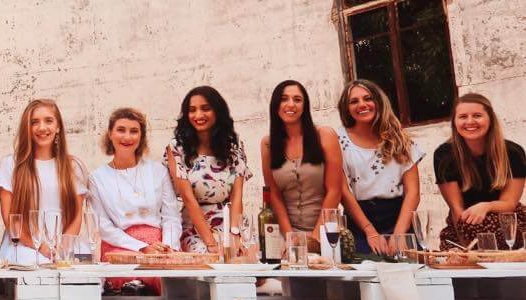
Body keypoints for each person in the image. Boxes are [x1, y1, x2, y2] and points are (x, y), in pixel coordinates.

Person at [88, 107, 181, 295]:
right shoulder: (97, 178)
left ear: (141, 136)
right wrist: (142, 247)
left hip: (160, 245)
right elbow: (103, 225)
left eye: (134, 131)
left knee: (168, 275)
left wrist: (167, 247)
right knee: (132, 272)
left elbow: (171, 216)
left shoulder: (158, 171)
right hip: (121, 246)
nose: (127, 137)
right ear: (110, 134)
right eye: (121, 130)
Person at [335, 79, 424, 254]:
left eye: (368, 98)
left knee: (409, 267)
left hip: (400, 217)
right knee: (364, 267)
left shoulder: (400, 138)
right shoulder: (337, 140)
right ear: (346, 108)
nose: (362, 104)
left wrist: (399, 234)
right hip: (359, 218)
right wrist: (370, 231)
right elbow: (343, 191)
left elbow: (413, 192)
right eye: (354, 101)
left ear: (378, 101)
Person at [0, 99, 87, 265]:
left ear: (58, 127)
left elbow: (76, 216)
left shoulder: (73, 166)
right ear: (27, 128)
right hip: (24, 246)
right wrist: (42, 247)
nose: (42, 127)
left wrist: (62, 249)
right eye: (34, 122)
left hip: (64, 247)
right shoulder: (11, 164)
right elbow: (10, 218)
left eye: (49, 121)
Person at [164, 86, 251, 254]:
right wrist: (211, 244)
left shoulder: (234, 145)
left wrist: (235, 235)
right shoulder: (176, 148)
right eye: (192, 110)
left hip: (232, 223)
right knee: (212, 260)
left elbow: (237, 195)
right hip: (196, 228)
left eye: (205, 108)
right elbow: (188, 199)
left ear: (217, 111)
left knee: (250, 260)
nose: (198, 115)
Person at [435, 93, 525, 250]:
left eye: (477, 115)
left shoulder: (513, 152)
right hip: (465, 222)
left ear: (490, 119)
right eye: (463, 116)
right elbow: (457, 209)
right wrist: (467, 249)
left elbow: (509, 204)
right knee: (454, 256)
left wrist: (486, 206)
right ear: (454, 122)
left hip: (506, 220)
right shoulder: (444, 155)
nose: (470, 121)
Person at [260, 80, 343, 242]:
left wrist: (315, 238)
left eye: (297, 99)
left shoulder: (325, 135)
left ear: (305, 106)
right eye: (284, 99)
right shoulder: (267, 144)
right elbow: (274, 195)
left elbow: (335, 191)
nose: (291, 104)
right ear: (275, 105)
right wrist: (290, 237)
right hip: (287, 233)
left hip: (326, 230)